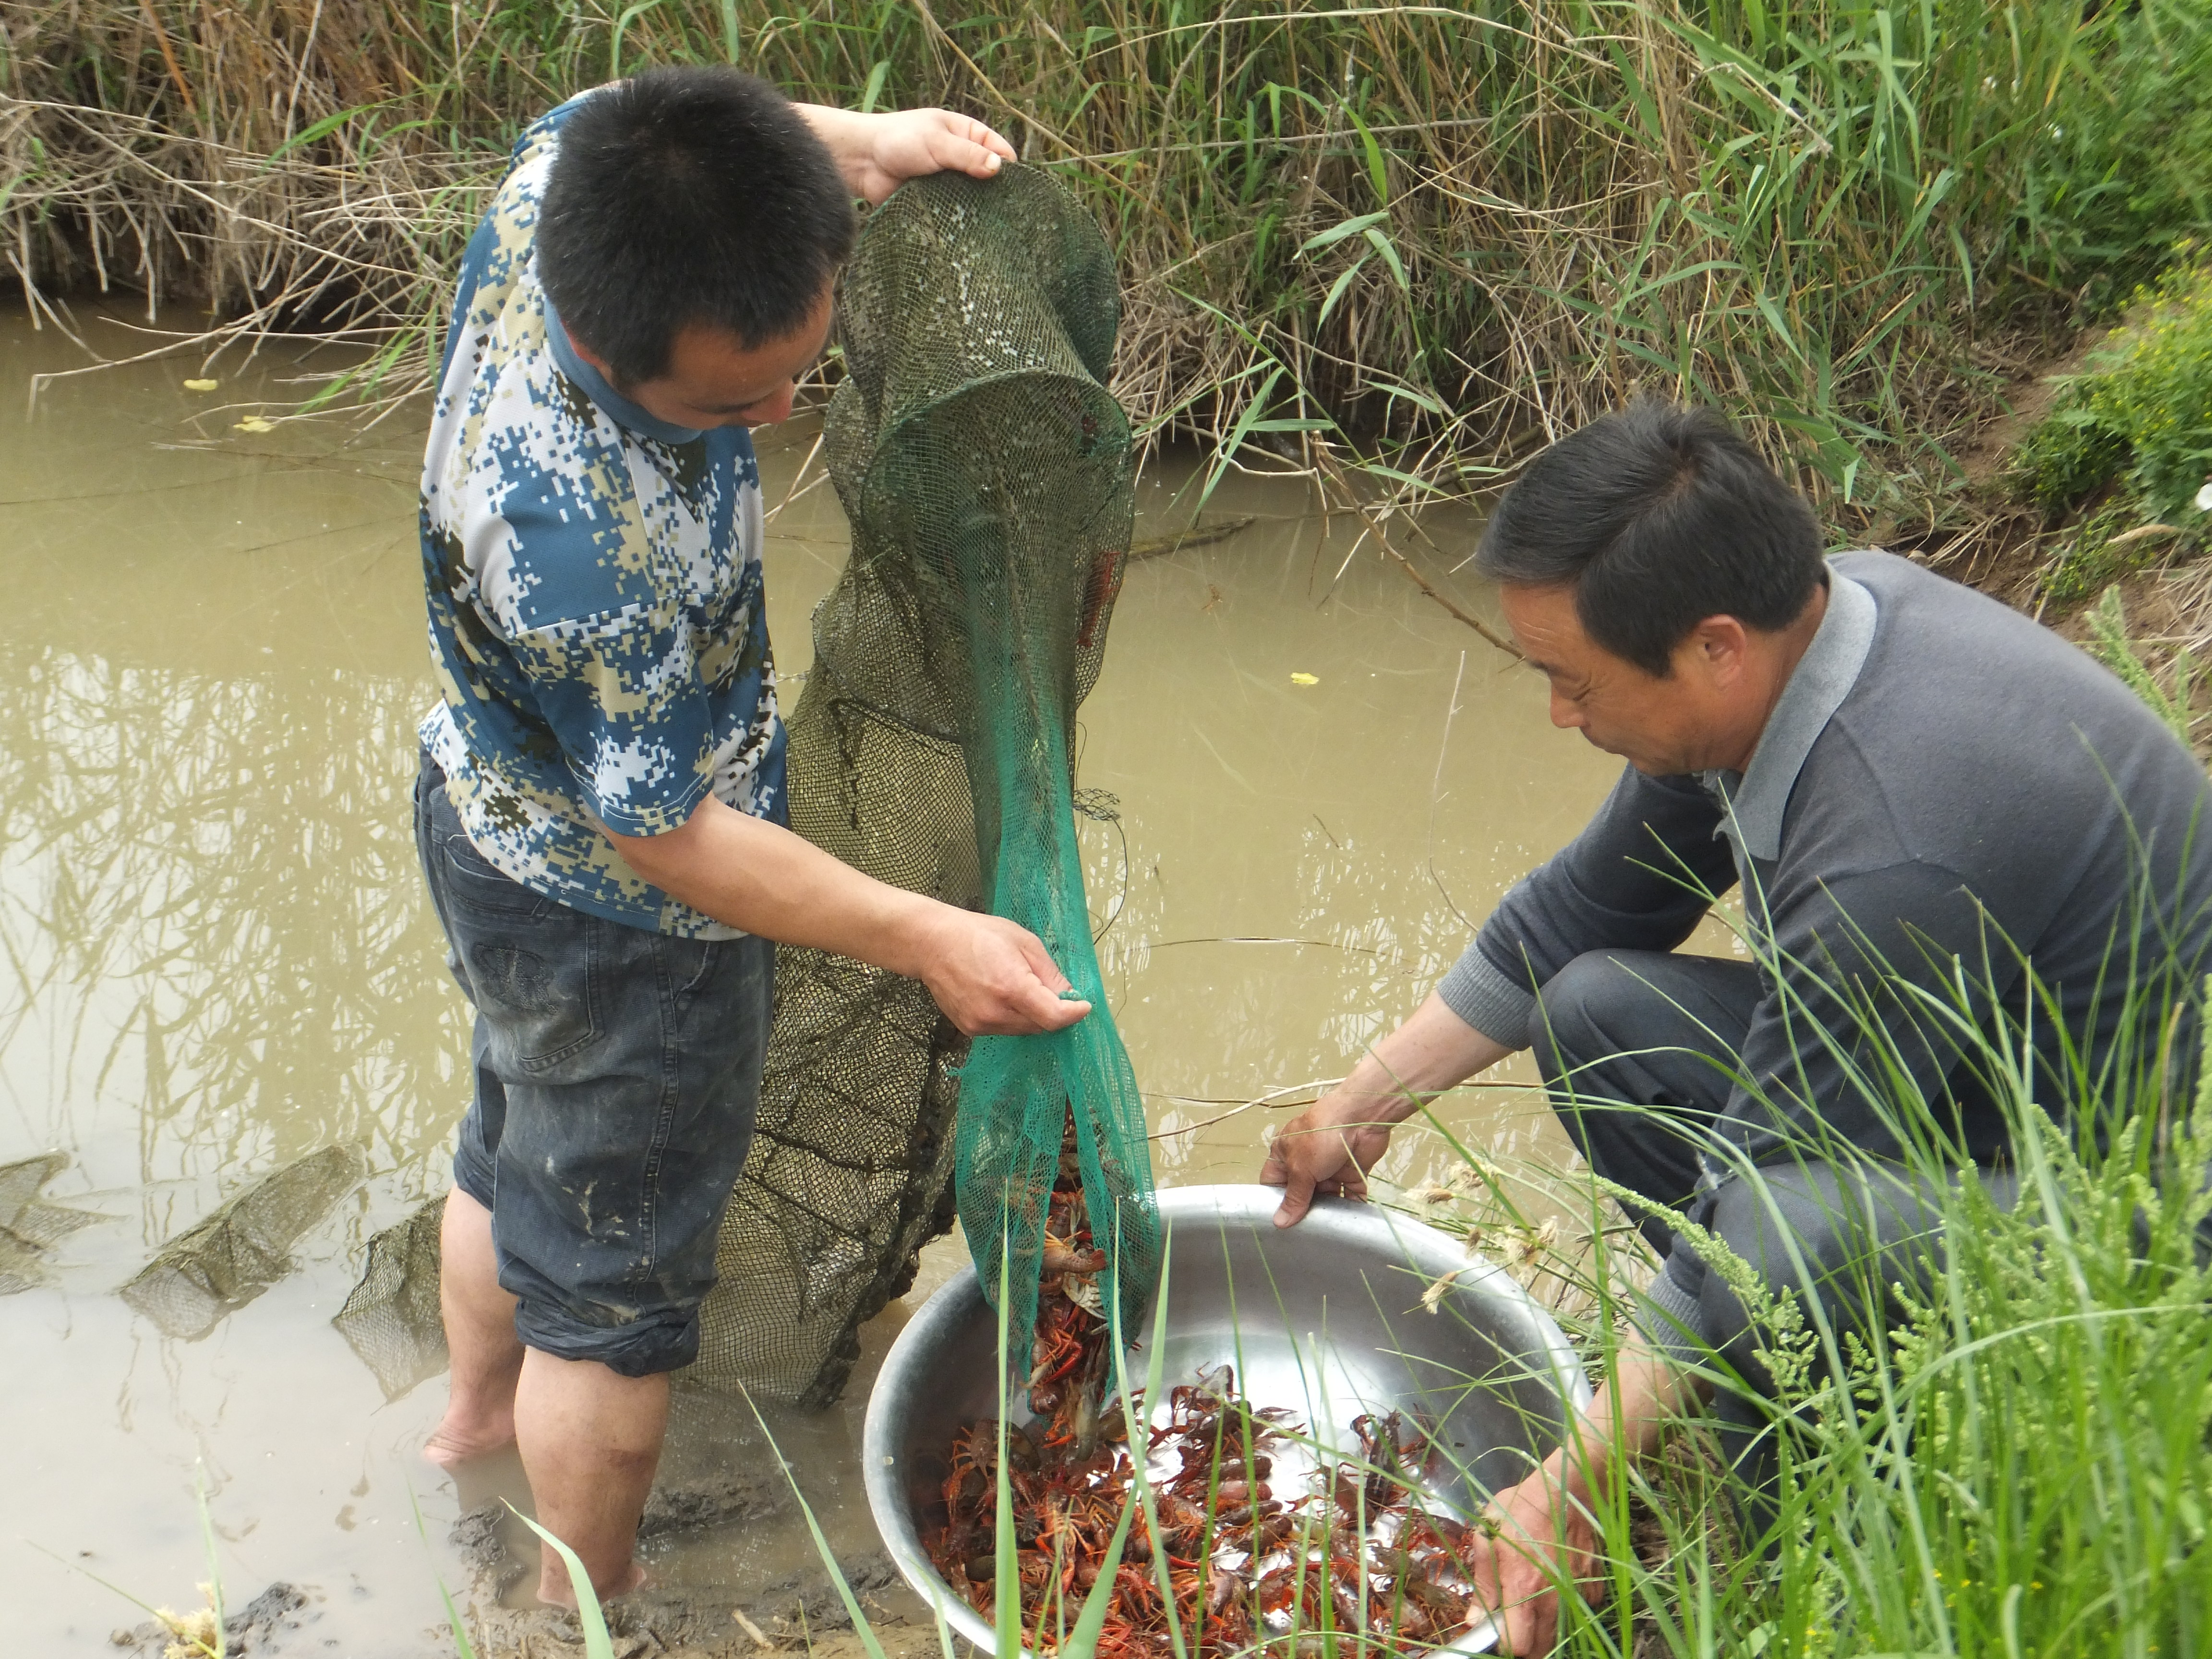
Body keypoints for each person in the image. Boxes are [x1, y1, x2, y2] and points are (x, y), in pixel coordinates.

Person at [1259, 399, 2212, 1651]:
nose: (1557, 714)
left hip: (2110, 1227)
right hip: (1960, 1085)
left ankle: (1833, 1516)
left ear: (1714, 648)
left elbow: (1759, 1200)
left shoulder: (1897, 843)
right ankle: (1795, 1403)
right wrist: (1356, 1109)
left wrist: (1569, 1482)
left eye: (1570, 681)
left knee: (1781, 1230)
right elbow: (1583, 910)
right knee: (1596, 1011)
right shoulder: (1807, 635)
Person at [410, 67, 1075, 1605]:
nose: (778, 419)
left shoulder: (566, 185)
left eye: (798, 374)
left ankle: (465, 1431)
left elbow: (650, 116)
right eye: (727, 406)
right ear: (600, 343)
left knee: (514, 1140)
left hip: (480, 807)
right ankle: (583, 1603)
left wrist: (857, 145)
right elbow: (677, 843)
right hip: (615, 918)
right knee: (616, 1300)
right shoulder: (571, 536)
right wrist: (927, 931)